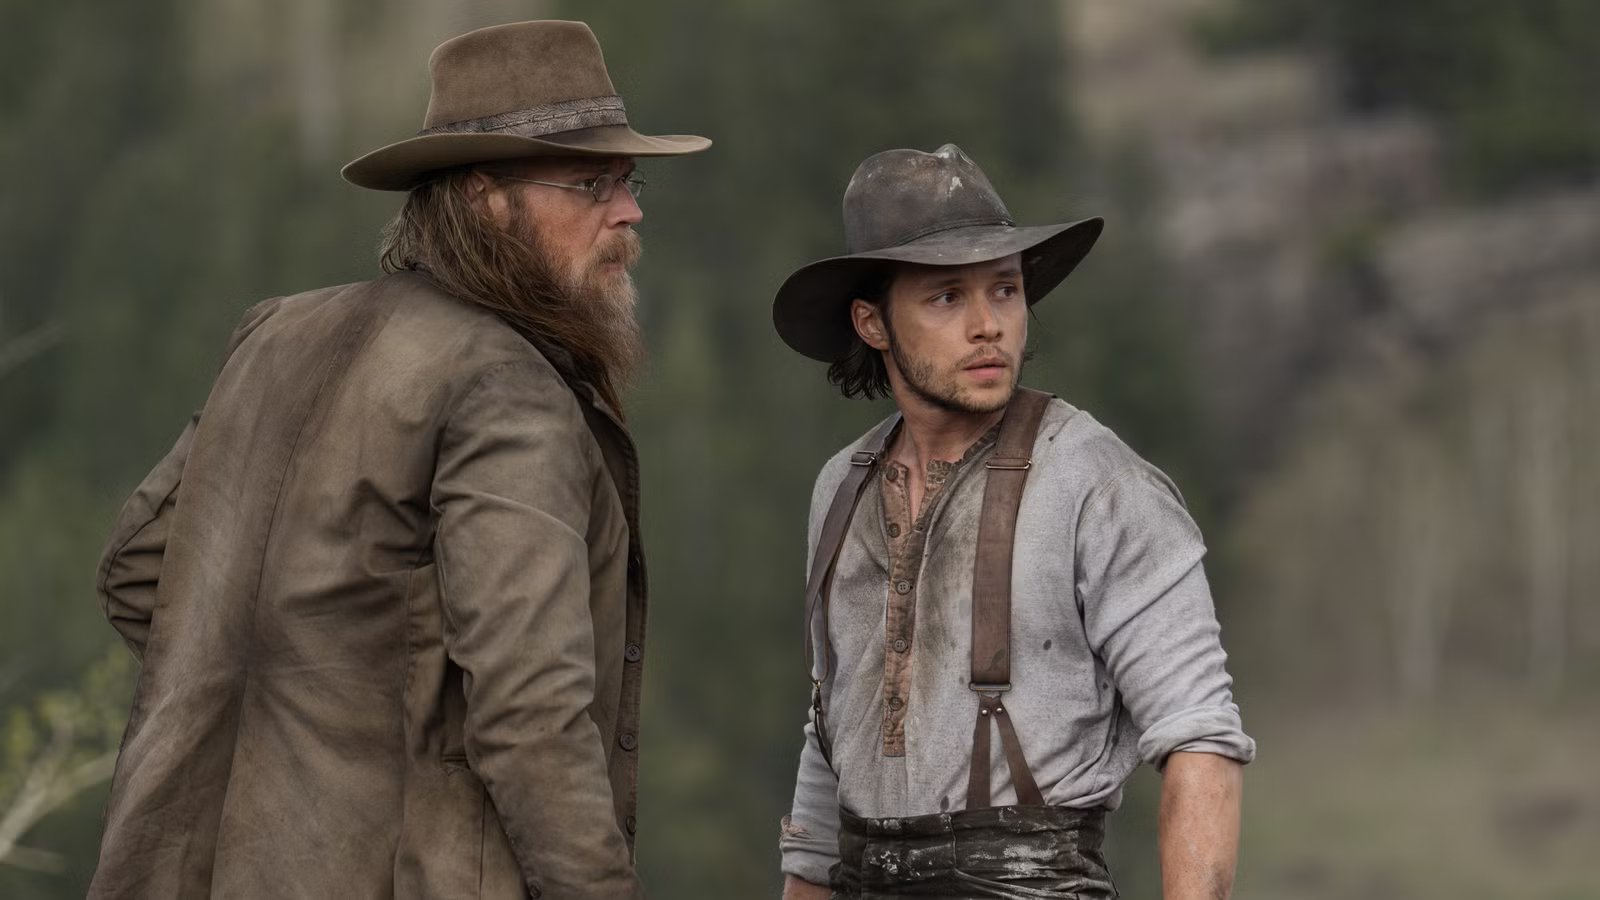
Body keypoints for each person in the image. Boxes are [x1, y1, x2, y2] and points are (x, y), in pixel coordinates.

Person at [89, 20, 708, 899]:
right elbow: (529, 709)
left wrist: (301, 701)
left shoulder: (278, 334)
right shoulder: (508, 384)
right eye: (590, 184)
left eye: (626, 180)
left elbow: (138, 570)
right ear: (487, 200)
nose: (630, 211)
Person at [774, 144, 1254, 899]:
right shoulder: (842, 486)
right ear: (872, 322)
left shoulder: (1099, 483)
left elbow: (1200, 739)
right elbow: (829, 743)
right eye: (946, 297)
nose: (987, 325)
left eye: (1004, 290)